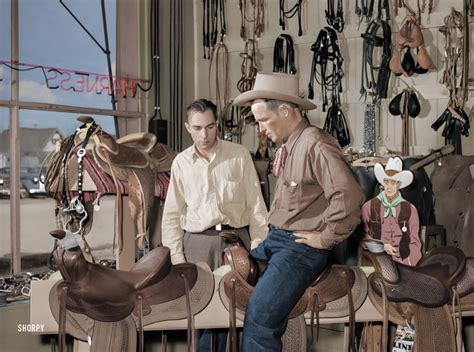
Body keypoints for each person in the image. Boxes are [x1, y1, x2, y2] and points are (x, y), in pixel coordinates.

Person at [233, 72, 365, 351]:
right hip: (277, 239)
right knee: (227, 288)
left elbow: (349, 195)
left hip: (300, 248)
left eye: (264, 121)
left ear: (284, 111)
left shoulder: (314, 144)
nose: (261, 130)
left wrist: (325, 237)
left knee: (260, 314)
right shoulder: (290, 145)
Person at [161, 98, 268, 351]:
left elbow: (256, 207)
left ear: (217, 125)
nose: (204, 134)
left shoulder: (239, 155)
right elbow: (172, 216)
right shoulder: (181, 163)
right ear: (188, 127)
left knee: (241, 313)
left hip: (237, 242)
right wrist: (177, 258)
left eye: (210, 127)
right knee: (204, 316)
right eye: (197, 128)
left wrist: (257, 248)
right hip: (197, 245)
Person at [361, 157, 422, 266]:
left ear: (399, 184)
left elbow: (414, 243)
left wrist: (413, 266)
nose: (389, 187)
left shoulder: (411, 209)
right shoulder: (368, 207)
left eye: (393, 183)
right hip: (375, 262)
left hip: (404, 263)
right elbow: (363, 238)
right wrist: (381, 246)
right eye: (386, 182)